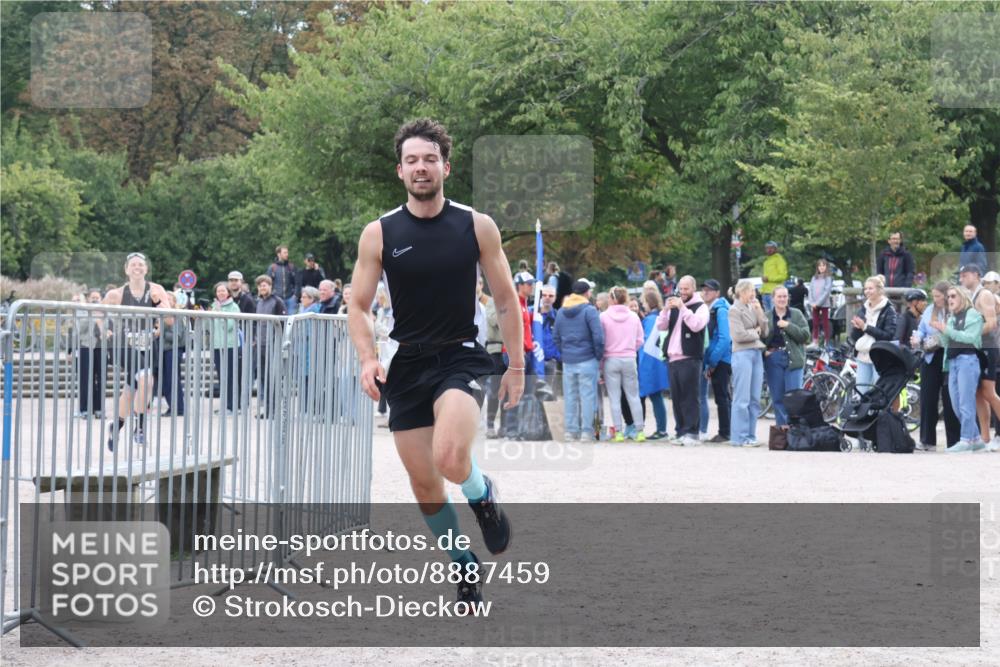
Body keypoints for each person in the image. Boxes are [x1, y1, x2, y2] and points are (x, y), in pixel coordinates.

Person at [347, 118, 521, 612]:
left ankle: (482, 493)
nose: (421, 168)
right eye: (411, 161)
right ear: (400, 171)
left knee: (450, 458)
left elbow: (506, 299)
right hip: (407, 365)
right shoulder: (379, 233)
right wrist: (367, 359)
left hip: (460, 356)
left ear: (446, 165)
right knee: (424, 484)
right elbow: (357, 305)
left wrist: (517, 366)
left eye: (429, 159)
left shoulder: (475, 225)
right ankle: (464, 564)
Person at [101, 252, 171, 451]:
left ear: (146, 269)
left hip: (149, 344)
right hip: (124, 344)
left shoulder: (157, 290)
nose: (137, 268)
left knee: (132, 390)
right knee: (146, 380)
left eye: (141, 264)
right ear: (126, 269)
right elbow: (96, 314)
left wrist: (159, 306)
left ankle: (117, 426)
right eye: (133, 265)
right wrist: (104, 329)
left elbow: (169, 320)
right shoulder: (116, 294)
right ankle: (139, 429)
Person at [656, 275, 709, 445]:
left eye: (686, 288)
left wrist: (683, 308)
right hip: (672, 358)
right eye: (681, 288)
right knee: (677, 398)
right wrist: (665, 310)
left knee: (690, 397)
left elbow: (696, 325)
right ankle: (680, 432)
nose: (683, 292)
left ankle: (692, 433)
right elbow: (661, 326)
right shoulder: (674, 306)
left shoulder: (701, 307)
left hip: (690, 358)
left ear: (693, 289)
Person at [932, 286, 985, 452]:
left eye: (953, 296)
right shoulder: (952, 318)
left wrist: (946, 329)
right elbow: (947, 342)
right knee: (956, 404)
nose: (950, 299)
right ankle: (975, 439)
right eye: (948, 297)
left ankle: (966, 440)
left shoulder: (974, 315)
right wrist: (939, 333)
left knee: (965, 403)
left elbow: (970, 338)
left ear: (962, 297)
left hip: (968, 361)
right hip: (953, 363)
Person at [911, 282, 961, 450]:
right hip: (930, 357)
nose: (936, 299)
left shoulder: (955, 309)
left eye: (939, 296)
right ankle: (927, 440)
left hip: (949, 357)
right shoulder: (929, 310)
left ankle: (954, 441)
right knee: (927, 399)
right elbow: (921, 330)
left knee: (950, 400)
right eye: (934, 296)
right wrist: (917, 338)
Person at [554, 279, 604, 441]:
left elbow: (556, 337)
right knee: (588, 396)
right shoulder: (589, 311)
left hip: (569, 359)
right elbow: (598, 337)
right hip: (588, 358)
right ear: (586, 293)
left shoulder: (561, 311)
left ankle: (570, 431)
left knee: (570, 396)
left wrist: (564, 353)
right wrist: (598, 355)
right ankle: (586, 432)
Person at [958, 264, 1000, 452]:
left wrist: (970, 335)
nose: (961, 279)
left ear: (976, 275)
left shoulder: (984, 295)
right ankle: (984, 438)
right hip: (976, 348)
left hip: (988, 348)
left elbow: (991, 323)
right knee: (978, 394)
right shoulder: (970, 295)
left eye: (964, 275)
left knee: (989, 393)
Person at [600, 286, 646, 442]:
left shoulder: (604, 317)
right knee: (633, 396)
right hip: (629, 358)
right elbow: (640, 340)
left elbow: (600, 340)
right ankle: (640, 431)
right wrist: (630, 349)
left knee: (614, 397)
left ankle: (618, 432)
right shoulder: (634, 317)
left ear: (612, 299)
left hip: (610, 359)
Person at [763, 286, 811, 427]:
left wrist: (788, 326)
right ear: (773, 298)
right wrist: (764, 351)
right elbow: (760, 337)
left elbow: (805, 336)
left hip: (794, 359)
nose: (782, 299)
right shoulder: (766, 316)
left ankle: (795, 430)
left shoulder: (796, 314)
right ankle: (782, 431)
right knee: (777, 397)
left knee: (794, 397)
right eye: (779, 296)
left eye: (785, 296)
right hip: (773, 359)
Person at [729, 279, 768, 447]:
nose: (753, 294)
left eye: (754, 290)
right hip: (742, 353)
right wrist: (755, 332)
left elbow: (765, 330)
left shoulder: (753, 307)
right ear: (742, 292)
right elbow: (738, 335)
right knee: (742, 398)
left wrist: (760, 312)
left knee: (754, 398)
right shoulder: (734, 310)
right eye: (751, 291)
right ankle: (739, 436)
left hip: (756, 353)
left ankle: (750, 435)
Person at [849, 276, 897, 390]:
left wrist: (865, 327)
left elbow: (888, 336)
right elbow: (855, 337)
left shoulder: (889, 310)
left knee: (878, 393)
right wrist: (857, 328)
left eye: (870, 288)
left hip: (880, 356)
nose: (867, 291)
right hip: (862, 355)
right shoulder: (863, 308)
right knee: (861, 391)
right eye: (865, 289)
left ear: (879, 290)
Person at [701, 279, 732, 443]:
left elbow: (724, 338)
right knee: (723, 396)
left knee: (722, 397)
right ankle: (727, 430)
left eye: (710, 290)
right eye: (704, 289)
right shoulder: (711, 309)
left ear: (717, 293)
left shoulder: (720, 310)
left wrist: (712, 362)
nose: (706, 292)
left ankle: (725, 432)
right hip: (718, 359)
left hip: (721, 359)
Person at [638, 289, 669, 440]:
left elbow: (646, 345)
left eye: (643, 302)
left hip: (651, 362)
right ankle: (661, 429)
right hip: (658, 361)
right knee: (657, 397)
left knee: (656, 397)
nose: (642, 305)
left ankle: (662, 430)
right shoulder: (659, 316)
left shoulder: (650, 320)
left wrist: (642, 366)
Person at [254, 275, 286, 419]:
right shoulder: (259, 302)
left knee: (273, 378)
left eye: (265, 285)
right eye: (260, 285)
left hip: (273, 345)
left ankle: (274, 410)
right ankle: (267, 409)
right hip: (260, 345)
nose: (262, 287)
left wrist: (280, 342)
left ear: (270, 286)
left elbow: (284, 323)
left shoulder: (277, 302)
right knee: (263, 379)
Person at [210, 281, 241, 414]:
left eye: (223, 291)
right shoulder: (214, 306)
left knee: (230, 377)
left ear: (228, 292)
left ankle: (233, 406)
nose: (220, 293)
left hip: (230, 346)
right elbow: (209, 327)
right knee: (222, 377)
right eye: (218, 291)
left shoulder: (234, 307)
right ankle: (226, 405)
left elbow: (229, 327)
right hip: (217, 346)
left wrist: (219, 313)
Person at [74, 289, 105, 418]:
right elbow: (80, 329)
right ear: (88, 299)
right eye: (93, 297)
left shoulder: (105, 312)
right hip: (86, 346)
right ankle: (84, 409)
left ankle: (99, 409)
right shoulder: (82, 311)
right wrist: (93, 317)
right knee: (86, 378)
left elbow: (111, 327)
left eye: (97, 297)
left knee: (101, 378)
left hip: (101, 347)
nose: (95, 300)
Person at [155, 291, 186, 417]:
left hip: (172, 350)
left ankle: (178, 408)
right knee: (166, 381)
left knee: (172, 380)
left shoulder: (175, 316)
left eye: (169, 299)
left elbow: (177, 336)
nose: (165, 302)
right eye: (164, 299)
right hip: (162, 351)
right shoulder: (161, 315)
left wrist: (161, 332)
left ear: (173, 302)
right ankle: (172, 407)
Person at [267, 245, 298, 315]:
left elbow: (297, 283)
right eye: (285, 253)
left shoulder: (291, 267)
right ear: (279, 254)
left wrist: (295, 295)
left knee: (291, 320)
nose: (287, 254)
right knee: (277, 320)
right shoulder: (272, 268)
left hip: (290, 298)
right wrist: (272, 295)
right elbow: (268, 283)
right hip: (277, 298)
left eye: (287, 252)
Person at [810, 259, 833, 347]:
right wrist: (812, 302)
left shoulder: (828, 278)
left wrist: (818, 303)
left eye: (823, 265)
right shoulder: (814, 278)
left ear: (826, 267)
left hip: (824, 304)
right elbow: (810, 290)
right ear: (817, 267)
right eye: (820, 266)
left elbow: (826, 291)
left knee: (825, 323)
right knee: (815, 323)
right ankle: (815, 341)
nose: (821, 267)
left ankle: (826, 342)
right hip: (814, 304)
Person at [761, 241, 788, 310]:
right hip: (765, 292)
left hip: (775, 293)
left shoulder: (779, 260)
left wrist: (769, 278)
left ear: (776, 249)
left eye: (771, 248)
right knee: (768, 317)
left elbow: (783, 276)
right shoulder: (766, 261)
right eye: (767, 248)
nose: (769, 250)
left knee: (776, 315)